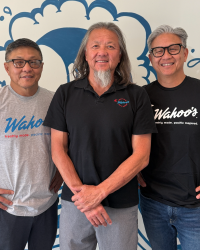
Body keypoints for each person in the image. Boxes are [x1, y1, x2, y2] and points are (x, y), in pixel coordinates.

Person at [43, 22, 157, 250]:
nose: (102, 52)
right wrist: (86, 200)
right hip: (76, 202)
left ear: (120, 55)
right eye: (95, 45)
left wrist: (99, 193)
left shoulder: (137, 95)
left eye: (110, 46)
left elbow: (141, 156)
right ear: (85, 54)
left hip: (120, 204)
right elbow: (58, 149)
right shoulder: (65, 93)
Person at [138, 25, 200, 250]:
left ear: (184, 53)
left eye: (173, 49)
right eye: (158, 51)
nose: (166, 55)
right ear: (150, 58)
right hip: (153, 202)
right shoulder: (140, 97)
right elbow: (124, 141)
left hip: (196, 208)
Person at [0, 38, 63, 250]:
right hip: (8, 208)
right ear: (7, 67)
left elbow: (69, 144)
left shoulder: (56, 101)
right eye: (18, 62)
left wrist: (63, 172)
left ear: (42, 67)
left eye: (34, 62)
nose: (27, 68)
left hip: (47, 204)